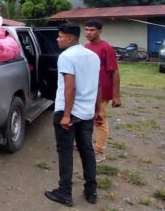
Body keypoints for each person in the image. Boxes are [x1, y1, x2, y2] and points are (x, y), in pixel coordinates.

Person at [45, 23, 100, 207]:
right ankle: (91, 190)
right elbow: (97, 85)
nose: (57, 39)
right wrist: (98, 110)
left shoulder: (66, 56)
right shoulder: (93, 56)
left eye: (60, 36)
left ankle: (65, 192)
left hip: (67, 111)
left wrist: (66, 115)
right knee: (87, 150)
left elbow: (70, 86)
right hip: (86, 112)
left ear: (69, 38)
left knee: (66, 152)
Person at [84, 20, 122, 163]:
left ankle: (99, 151)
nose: (88, 32)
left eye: (92, 30)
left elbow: (115, 72)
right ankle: (85, 144)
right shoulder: (86, 47)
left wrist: (116, 95)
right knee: (87, 117)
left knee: (100, 119)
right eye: (86, 29)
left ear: (100, 31)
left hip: (103, 91)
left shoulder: (106, 48)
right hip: (89, 90)